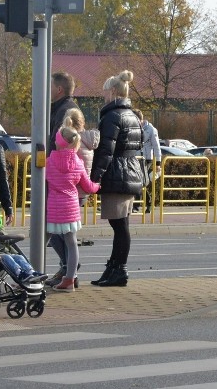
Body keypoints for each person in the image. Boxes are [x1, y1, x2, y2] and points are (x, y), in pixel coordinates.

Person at [89, 70, 143, 288]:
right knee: (121, 224)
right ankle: (114, 267)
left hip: (117, 173)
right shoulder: (131, 115)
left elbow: (106, 151)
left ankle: (118, 269)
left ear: (112, 91)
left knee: (119, 225)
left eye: (104, 92)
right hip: (130, 171)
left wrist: (95, 177)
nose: (103, 96)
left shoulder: (112, 116)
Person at [45, 126, 100, 292]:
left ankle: (34, 273)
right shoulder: (78, 162)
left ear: (60, 142)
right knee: (71, 242)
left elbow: (41, 182)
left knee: (45, 240)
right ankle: (70, 278)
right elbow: (88, 186)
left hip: (54, 207)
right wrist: (98, 186)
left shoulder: (49, 161)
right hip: (71, 207)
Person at [46, 71, 81, 282]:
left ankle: (70, 270)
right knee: (60, 232)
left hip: (64, 179)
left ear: (59, 89)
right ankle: (67, 268)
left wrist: (51, 164)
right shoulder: (60, 109)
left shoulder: (67, 111)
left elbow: (63, 142)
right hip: (63, 177)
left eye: (50, 86)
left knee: (61, 232)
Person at [0, 199, 46, 285]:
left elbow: (7, 245)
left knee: (19, 257)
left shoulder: (0, 228)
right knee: (7, 257)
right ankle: (20, 274)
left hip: (4, 252)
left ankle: (31, 272)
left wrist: (14, 253)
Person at [132, 109, 161, 214]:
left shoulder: (151, 129)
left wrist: (158, 163)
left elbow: (157, 147)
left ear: (140, 119)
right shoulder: (133, 128)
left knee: (139, 181)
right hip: (135, 158)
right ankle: (147, 203)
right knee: (139, 182)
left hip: (146, 159)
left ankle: (137, 205)